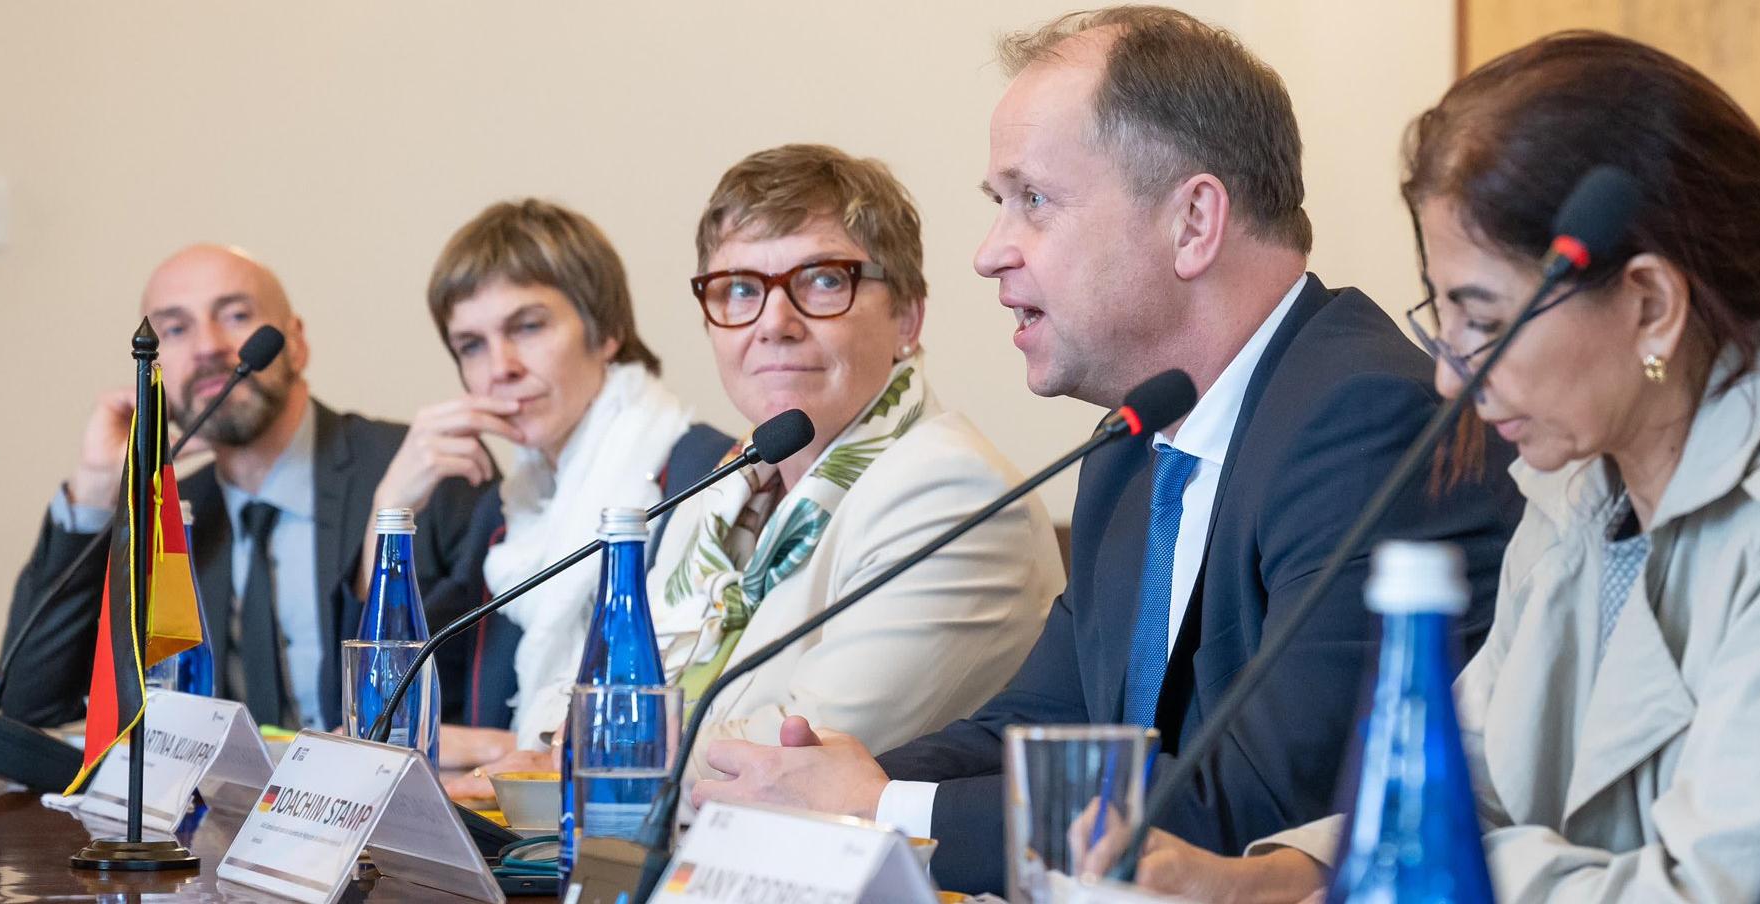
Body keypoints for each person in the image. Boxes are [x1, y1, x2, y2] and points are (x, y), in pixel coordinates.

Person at [1121, 30, 1760, 904]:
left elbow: (1729, 894)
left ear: (1651, 304)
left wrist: (1419, 879)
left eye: (1486, 320)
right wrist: (1275, 880)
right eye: (1445, 314)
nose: (1448, 372)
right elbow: (1465, 787)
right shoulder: (1578, 492)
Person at [687, 8, 1524, 894]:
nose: (988, 253)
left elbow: (1263, 808)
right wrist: (824, 782)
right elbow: (1040, 723)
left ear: (1194, 222)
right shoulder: (1131, 446)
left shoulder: (1367, 420)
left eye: (1033, 202)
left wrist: (885, 809)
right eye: (996, 205)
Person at [645, 142, 1066, 800]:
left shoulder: (952, 493)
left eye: (822, 281)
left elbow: (794, 759)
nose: (773, 324)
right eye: (739, 290)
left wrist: (590, 742)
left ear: (908, 316)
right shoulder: (724, 491)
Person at [0, 244, 486, 730]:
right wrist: (97, 488)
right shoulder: (170, 516)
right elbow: (29, 706)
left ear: (296, 342)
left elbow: (476, 699)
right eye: (174, 328)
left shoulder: (423, 476)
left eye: (235, 315)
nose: (208, 346)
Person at [360, 199, 732, 791]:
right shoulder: (511, 511)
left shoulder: (702, 475)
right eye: (471, 345)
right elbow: (395, 704)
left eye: (527, 327)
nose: (499, 368)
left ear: (606, 330)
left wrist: (509, 754)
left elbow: (679, 724)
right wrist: (390, 509)